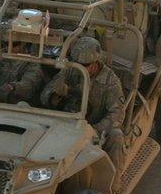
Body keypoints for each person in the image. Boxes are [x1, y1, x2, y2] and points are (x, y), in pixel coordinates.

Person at [41, 36, 125, 178]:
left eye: (85, 64)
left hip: (93, 126)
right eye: (77, 63)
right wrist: (55, 95)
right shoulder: (71, 70)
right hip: (66, 122)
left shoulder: (111, 81)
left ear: (95, 62)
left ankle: (113, 180)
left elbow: (117, 114)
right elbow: (44, 97)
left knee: (116, 136)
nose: (80, 67)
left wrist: (95, 130)